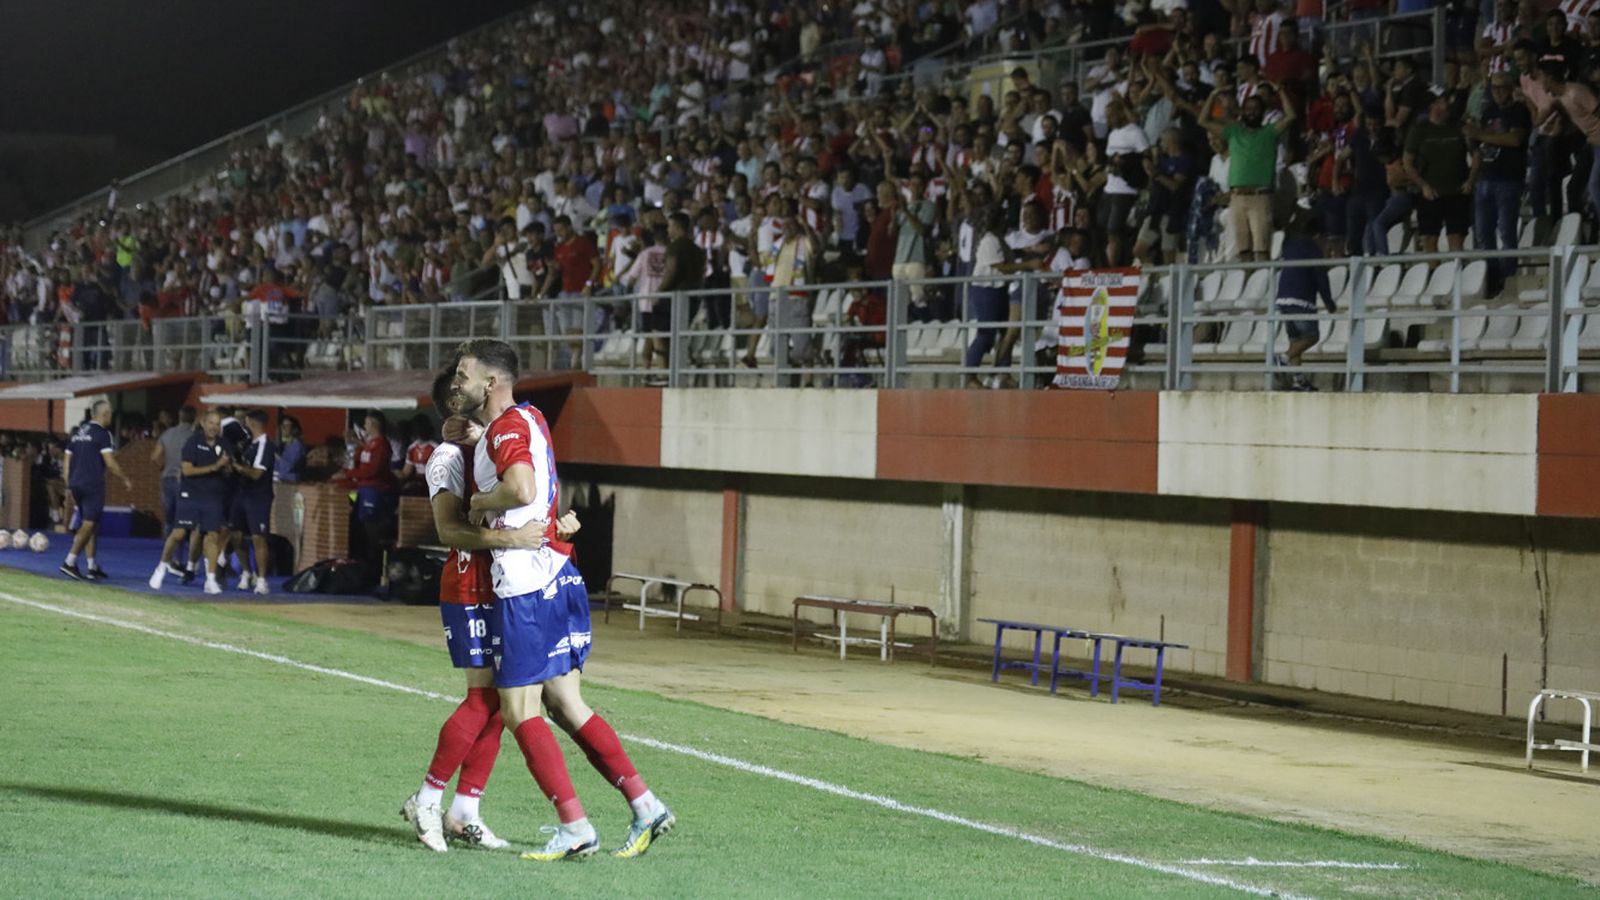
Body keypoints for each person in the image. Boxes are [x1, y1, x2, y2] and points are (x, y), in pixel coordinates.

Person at [453, 339, 674, 861]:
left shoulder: (506, 428)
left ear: (490, 383)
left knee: (517, 708)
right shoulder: (529, 419)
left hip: (526, 585)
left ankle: (574, 825)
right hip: (560, 574)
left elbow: (522, 487)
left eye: (463, 375)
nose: (456, 383)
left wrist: (480, 501)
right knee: (565, 703)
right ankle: (645, 805)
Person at [400, 365, 554, 854]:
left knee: (502, 707)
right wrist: (513, 538)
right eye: (459, 388)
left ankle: (465, 810)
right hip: (468, 586)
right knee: (484, 700)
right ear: (450, 406)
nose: (468, 391)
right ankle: (426, 798)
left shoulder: (494, 440)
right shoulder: (446, 458)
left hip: (507, 587)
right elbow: (449, 531)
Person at [1197, 82, 1297, 261]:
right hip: (1237, 197)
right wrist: (1213, 96)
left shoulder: (1269, 132)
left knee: (1261, 250)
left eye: (1256, 109)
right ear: (1242, 112)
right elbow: (1203, 120)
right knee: (1243, 251)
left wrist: (1280, 90)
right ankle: (1249, 281)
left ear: (1263, 112)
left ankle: (1264, 285)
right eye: (1248, 108)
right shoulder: (1234, 132)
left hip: (1261, 196)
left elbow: (1291, 116)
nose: (1251, 112)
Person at [151, 410, 232, 595]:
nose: (214, 427)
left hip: (213, 496)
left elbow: (226, 471)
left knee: (212, 536)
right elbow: (187, 471)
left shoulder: (224, 444)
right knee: (179, 533)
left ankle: (210, 580)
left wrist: (227, 468)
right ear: (203, 423)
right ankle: (161, 567)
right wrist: (216, 466)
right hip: (191, 494)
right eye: (211, 423)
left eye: (218, 424)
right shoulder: (193, 442)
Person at [60, 399, 132, 581]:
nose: (111, 417)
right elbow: (110, 462)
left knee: (91, 523)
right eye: (110, 414)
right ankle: (70, 561)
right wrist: (124, 478)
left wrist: (68, 482)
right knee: (90, 523)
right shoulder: (103, 434)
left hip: (76, 483)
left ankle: (92, 566)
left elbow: (67, 458)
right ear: (105, 414)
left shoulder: (78, 433)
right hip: (92, 484)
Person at [1275, 211, 1336, 393]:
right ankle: (1283, 359)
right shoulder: (1313, 250)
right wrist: (1329, 303)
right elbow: (1321, 279)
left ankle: (1299, 380)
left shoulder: (1292, 246)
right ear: (1318, 236)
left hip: (1284, 299)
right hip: (1301, 300)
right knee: (1311, 336)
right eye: (1325, 239)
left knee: (1296, 341)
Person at [338, 411, 400, 562]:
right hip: (363, 491)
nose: (364, 426)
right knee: (361, 527)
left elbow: (373, 470)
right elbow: (360, 464)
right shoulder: (368, 445)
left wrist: (349, 473)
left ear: (372, 424)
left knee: (372, 529)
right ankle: (363, 562)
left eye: (366, 423)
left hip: (375, 493)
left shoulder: (381, 445)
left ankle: (375, 565)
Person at [230, 410, 275, 595]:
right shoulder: (249, 443)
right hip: (241, 494)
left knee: (258, 537)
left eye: (245, 422)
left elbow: (257, 473)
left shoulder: (265, 444)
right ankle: (247, 572)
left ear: (251, 422)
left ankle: (262, 580)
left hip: (258, 497)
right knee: (236, 536)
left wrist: (236, 467)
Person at [152, 406, 197, 540]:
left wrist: (164, 466)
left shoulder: (168, 433)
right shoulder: (194, 436)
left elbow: (155, 457)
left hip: (167, 478)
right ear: (194, 418)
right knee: (183, 520)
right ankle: (182, 555)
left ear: (179, 416)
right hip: (186, 480)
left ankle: (168, 555)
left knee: (169, 518)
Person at [274, 416, 306, 483]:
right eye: (282, 426)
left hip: (289, 481)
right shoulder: (284, 444)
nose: (283, 428)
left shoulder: (296, 445)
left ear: (294, 428)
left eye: (287, 426)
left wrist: (277, 457)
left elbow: (289, 466)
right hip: (279, 478)